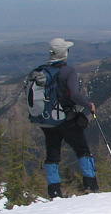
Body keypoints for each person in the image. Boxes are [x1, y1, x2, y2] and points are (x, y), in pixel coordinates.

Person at [41, 37, 99, 198]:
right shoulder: (68, 72)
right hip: (65, 118)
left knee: (52, 155)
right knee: (82, 150)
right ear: (64, 53)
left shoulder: (41, 71)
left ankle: (54, 191)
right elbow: (74, 94)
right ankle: (90, 185)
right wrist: (89, 105)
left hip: (46, 120)